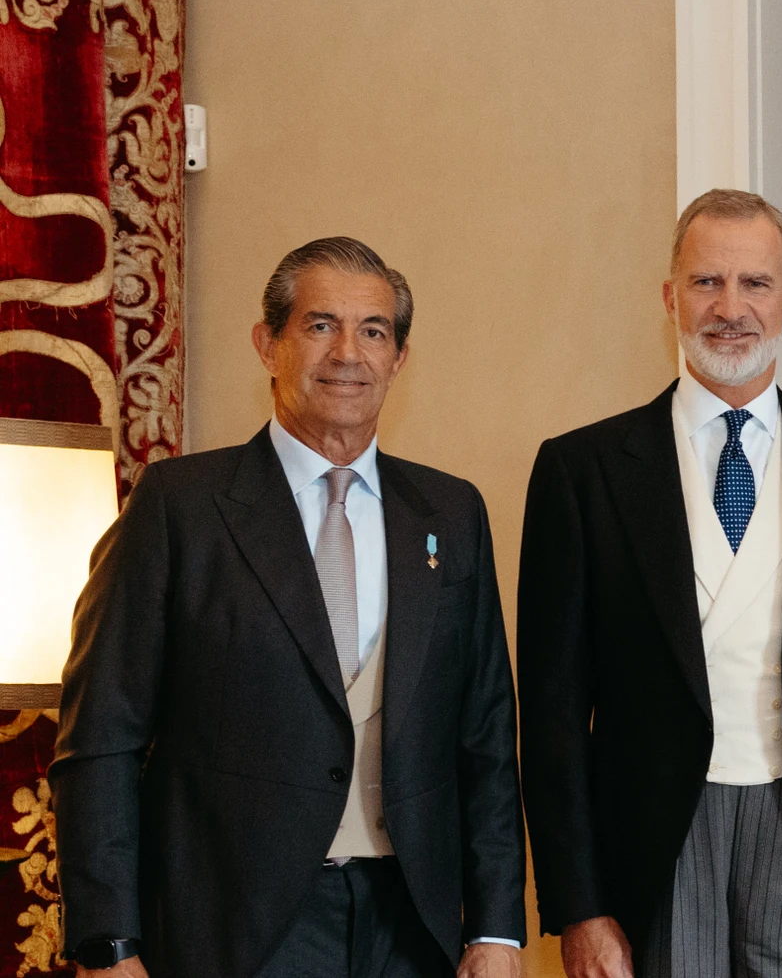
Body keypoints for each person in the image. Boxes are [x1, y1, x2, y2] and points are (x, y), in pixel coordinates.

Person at [52, 238, 526, 978]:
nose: (348, 353)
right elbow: (101, 736)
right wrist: (108, 942)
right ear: (267, 344)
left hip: (413, 927)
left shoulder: (451, 512)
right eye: (320, 325)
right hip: (235, 929)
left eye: (374, 331)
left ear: (400, 358)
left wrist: (497, 928)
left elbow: (487, 735)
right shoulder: (180, 507)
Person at [517, 189, 782, 978]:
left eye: (755, 283)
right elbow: (552, 714)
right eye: (706, 282)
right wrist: (580, 905)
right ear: (671, 298)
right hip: (653, 841)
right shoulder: (583, 469)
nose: (730, 308)